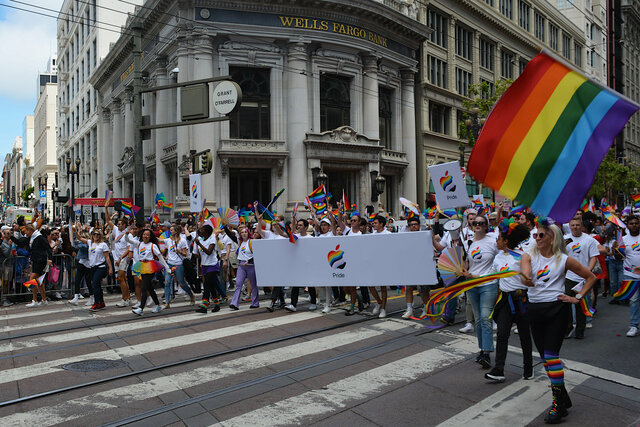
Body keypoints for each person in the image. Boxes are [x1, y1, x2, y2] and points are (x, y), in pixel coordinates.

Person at [521, 220, 596, 424]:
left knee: (552, 356)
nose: (536, 238)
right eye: (535, 235)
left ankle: (557, 404)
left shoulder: (564, 259)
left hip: (556, 310)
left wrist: (577, 297)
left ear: (552, 238)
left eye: (541, 235)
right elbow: (525, 272)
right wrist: (526, 278)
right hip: (535, 310)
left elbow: (591, 277)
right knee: (546, 359)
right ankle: (563, 398)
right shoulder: (529, 255)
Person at [485, 219, 532, 383]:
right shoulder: (498, 258)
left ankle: (528, 368)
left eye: (499, 238)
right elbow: (489, 277)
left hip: (521, 299)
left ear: (506, 241)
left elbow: (528, 278)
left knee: (525, 336)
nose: (496, 241)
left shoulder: (522, 257)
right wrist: (469, 277)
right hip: (505, 300)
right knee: (502, 334)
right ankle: (499, 369)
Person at [461, 214, 499, 369]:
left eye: (481, 223)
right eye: (475, 223)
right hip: (472, 284)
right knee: (477, 320)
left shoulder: (492, 242)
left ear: (486, 226)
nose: (478, 225)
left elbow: (501, 260)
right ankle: (483, 351)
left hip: (488, 284)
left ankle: (487, 352)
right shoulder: (468, 241)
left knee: (485, 318)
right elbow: (466, 262)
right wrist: (464, 270)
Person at [563, 216, 599, 339]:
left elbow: (594, 257)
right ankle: (567, 328)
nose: (575, 227)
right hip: (568, 276)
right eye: (572, 225)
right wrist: (562, 246)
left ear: (581, 226)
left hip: (583, 278)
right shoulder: (565, 239)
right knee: (566, 302)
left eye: (577, 225)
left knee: (581, 304)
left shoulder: (589, 240)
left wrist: (588, 271)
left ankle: (580, 330)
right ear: (570, 226)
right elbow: (559, 255)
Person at [131, 229, 171, 315]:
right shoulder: (139, 244)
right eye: (144, 234)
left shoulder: (153, 246)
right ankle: (158, 305)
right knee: (149, 288)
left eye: (147, 235)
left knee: (144, 287)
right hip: (142, 266)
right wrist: (127, 235)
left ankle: (141, 308)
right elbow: (128, 240)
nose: (145, 236)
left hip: (150, 267)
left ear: (150, 237)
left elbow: (160, 257)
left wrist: (167, 268)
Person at [402, 216, 431, 319]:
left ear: (419, 225)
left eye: (415, 224)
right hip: (410, 265)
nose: (413, 226)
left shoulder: (425, 235)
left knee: (423, 289)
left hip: (423, 266)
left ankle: (426, 308)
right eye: (410, 225)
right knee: (408, 288)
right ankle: (409, 309)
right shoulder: (405, 237)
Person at [616, 215, 640, 337]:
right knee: (634, 300)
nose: (634, 225)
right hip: (630, 274)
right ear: (628, 225)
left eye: (636, 223)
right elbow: (619, 257)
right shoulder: (623, 240)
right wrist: (616, 250)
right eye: (631, 223)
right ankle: (634, 325)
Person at [105, 206, 132, 307]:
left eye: (120, 224)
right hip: (117, 259)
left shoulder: (128, 235)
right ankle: (128, 298)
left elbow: (129, 249)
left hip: (123, 259)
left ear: (124, 225)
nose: (118, 225)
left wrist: (121, 258)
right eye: (118, 224)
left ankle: (124, 299)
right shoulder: (116, 230)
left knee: (121, 278)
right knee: (122, 279)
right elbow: (108, 220)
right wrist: (106, 208)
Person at [163, 223, 195, 308]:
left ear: (176, 231)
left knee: (181, 283)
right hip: (169, 264)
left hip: (178, 265)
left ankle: (191, 295)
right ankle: (167, 302)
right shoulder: (169, 240)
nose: (170, 232)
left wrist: (180, 252)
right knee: (167, 282)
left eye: (172, 230)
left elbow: (186, 254)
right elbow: (159, 240)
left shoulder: (182, 241)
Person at [81, 228, 114, 311]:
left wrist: (110, 268)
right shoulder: (90, 243)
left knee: (95, 284)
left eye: (97, 234)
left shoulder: (103, 245)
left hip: (100, 267)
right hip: (92, 267)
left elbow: (107, 257)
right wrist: (75, 231)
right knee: (97, 285)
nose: (95, 236)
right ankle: (101, 302)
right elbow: (80, 238)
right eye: (94, 234)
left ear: (100, 236)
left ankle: (97, 303)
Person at [229, 225, 259, 310]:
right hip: (241, 265)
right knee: (238, 284)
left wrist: (249, 261)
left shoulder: (252, 242)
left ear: (248, 233)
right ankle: (234, 303)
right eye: (242, 232)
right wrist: (224, 227)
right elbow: (230, 235)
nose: (244, 234)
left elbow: (257, 254)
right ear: (240, 234)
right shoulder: (240, 242)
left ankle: (255, 302)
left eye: (245, 232)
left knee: (253, 285)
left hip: (251, 265)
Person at [194, 224, 222, 314]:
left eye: (201, 230)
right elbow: (199, 254)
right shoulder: (201, 240)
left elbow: (209, 252)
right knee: (211, 286)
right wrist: (197, 255)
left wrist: (199, 244)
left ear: (206, 232)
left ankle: (204, 306)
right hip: (205, 265)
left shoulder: (212, 239)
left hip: (212, 265)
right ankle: (217, 304)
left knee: (206, 284)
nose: (199, 231)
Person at [23, 224, 51, 307]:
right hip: (35, 260)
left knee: (32, 278)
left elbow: (48, 248)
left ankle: (34, 299)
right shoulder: (32, 238)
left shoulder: (39, 237)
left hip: (40, 260)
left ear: (30, 230)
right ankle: (44, 299)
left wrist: (50, 258)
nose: (26, 232)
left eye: (26, 231)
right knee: (39, 281)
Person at [369, 215, 391, 318]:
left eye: (375, 223)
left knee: (383, 287)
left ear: (381, 224)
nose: (373, 224)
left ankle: (383, 308)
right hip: (373, 263)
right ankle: (378, 302)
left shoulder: (388, 234)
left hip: (385, 263)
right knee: (370, 285)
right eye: (373, 223)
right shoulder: (372, 234)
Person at [69, 226, 91, 305]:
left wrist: (80, 242)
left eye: (84, 237)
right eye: (82, 237)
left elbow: (82, 246)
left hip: (88, 263)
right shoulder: (81, 243)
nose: (83, 239)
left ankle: (92, 297)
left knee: (88, 281)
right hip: (81, 262)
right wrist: (75, 232)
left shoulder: (89, 244)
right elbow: (76, 243)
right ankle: (76, 297)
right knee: (77, 280)